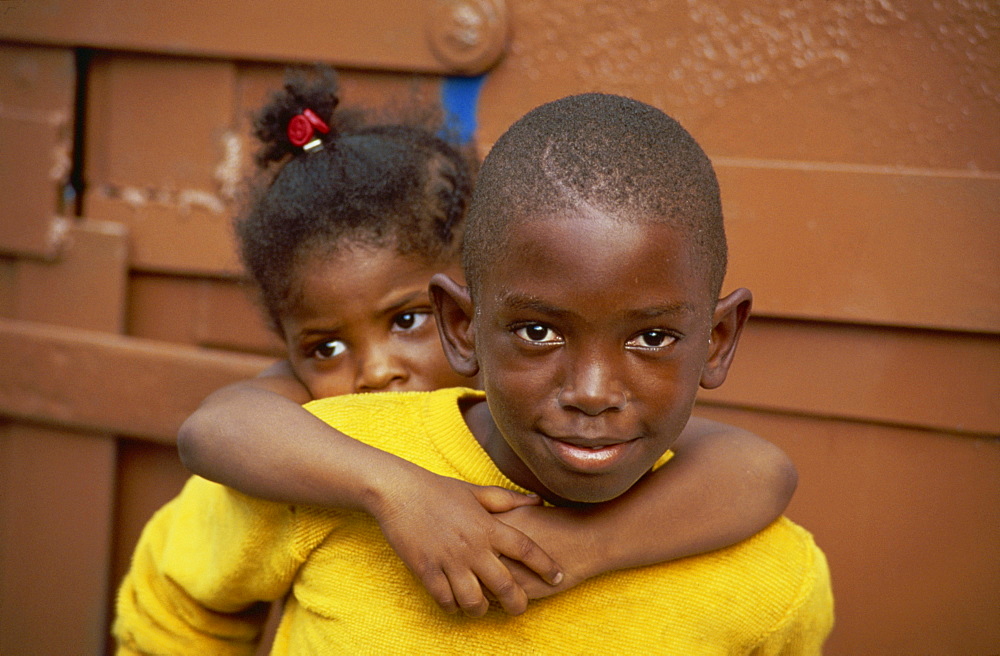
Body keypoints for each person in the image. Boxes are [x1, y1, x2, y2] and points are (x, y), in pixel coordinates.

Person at [115, 91, 835, 653]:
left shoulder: (757, 561)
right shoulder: (320, 450)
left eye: (650, 336)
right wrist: (398, 492)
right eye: (537, 331)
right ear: (467, 324)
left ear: (715, 341)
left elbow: (758, 466)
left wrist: (578, 550)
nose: (379, 373)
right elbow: (211, 447)